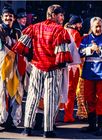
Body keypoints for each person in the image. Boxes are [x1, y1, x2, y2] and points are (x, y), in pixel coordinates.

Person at [12, 4, 72, 138]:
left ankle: (27, 128)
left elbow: (21, 47)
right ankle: (48, 130)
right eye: (60, 15)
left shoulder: (35, 27)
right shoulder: (59, 30)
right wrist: (61, 66)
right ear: (53, 15)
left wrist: (32, 58)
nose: (62, 18)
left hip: (37, 67)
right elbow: (62, 54)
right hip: (52, 69)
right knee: (51, 99)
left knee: (32, 96)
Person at [79, 17, 102, 136]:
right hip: (89, 73)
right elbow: (80, 52)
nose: (98, 28)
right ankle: (91, 125)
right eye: (96, 26)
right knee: (89, 99)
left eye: (100, 26)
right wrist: (90, 49)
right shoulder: (85, 39)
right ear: (91, 27)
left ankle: (100, 127)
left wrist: (99, 50)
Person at [0, 6, 24, 130]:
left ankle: (14, 121)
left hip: (15, 67)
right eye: (6, 16)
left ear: (14, 18)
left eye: (10, 16)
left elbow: (23, 48)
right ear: (2, 17)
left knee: (17, 93)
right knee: (1, 93)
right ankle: (1, 120)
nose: (8, 18)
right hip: (2, 66)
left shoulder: (18, 32)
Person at [63, 15, 82, 123]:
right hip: (73, 67)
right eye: (79, 23)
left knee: (61, 90)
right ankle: (68, 116)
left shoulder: (63, 30)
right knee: (71, 92)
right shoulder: (75, 33)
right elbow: (78, 51)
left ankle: (55, 115)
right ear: (75, 24)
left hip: (62, 65)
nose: (81, 25)